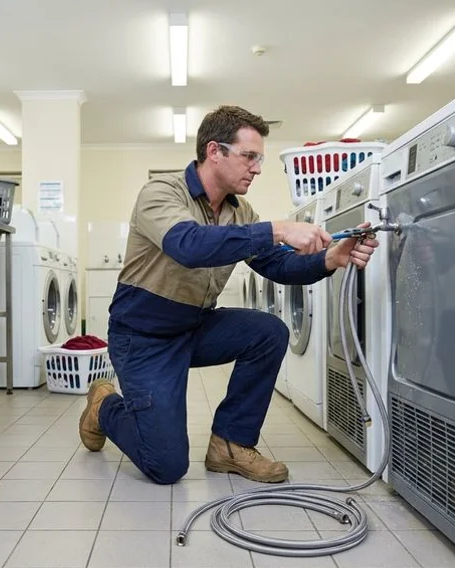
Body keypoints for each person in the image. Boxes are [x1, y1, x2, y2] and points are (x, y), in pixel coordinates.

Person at [78, 105, 378, 485]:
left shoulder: (241, 211)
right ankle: (103, 405)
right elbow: (189, 245)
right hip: (143, 337)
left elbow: (276, 265)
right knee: (166, 466)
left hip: (194, 326)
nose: (257, 168)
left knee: (268, 332)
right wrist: (279, 229)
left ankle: (230, 444)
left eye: (259, 159)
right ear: (214, 151)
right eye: (249, 156)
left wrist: (331, 258)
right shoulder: (162, 192)